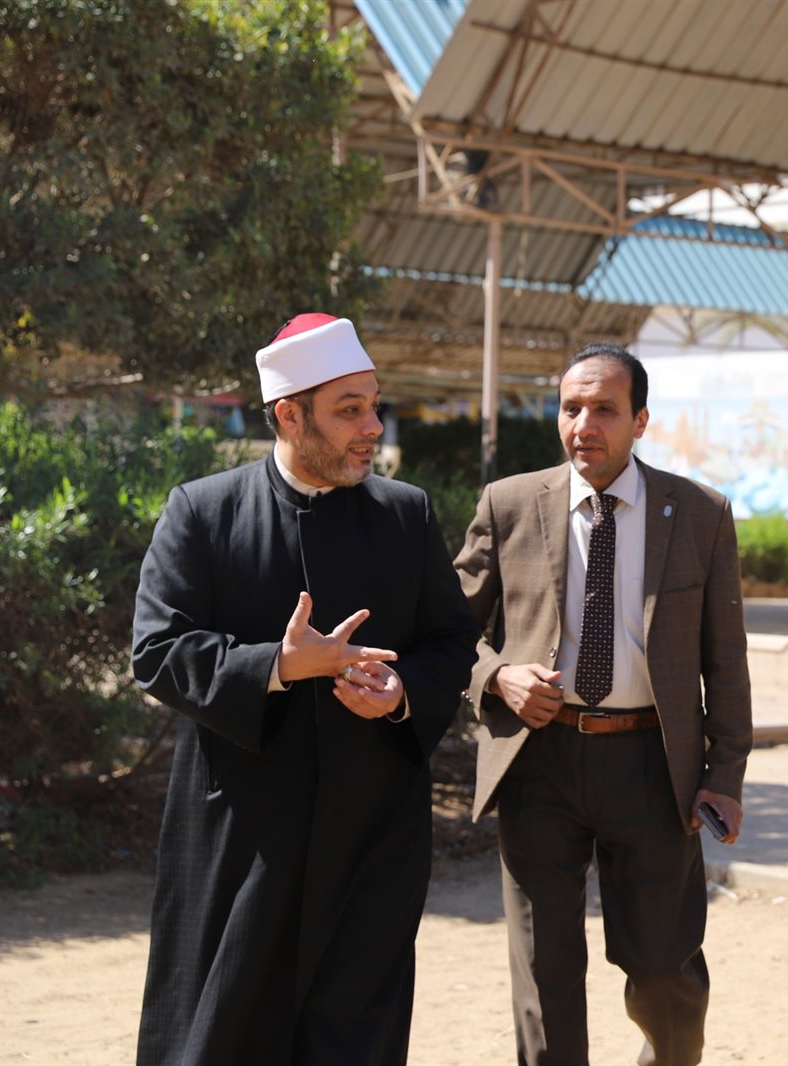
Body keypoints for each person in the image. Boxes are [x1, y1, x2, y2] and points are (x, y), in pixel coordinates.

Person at [131, 313, 480, 1065]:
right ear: (290, 415)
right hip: (240, 839)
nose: (372, 428)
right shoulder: (203, 510)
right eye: (349, 410)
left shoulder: (406, 514)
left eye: (374, 405)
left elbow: (453, 640)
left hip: (373, 838)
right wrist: (279, 666)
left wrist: (401, 692)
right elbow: (156, 649)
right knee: (224, 1035)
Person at [453, 343, 752, 1066]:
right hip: (539, 760)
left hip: (654, 765)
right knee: (545, 971)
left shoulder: (701, 513)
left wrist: (725, 774)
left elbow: (725, 658)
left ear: (640, 420)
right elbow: (447, 630)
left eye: (605, 410)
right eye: (571, 408)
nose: (584, 424)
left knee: (664, 967)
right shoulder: (509, 504)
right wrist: (497, 677)